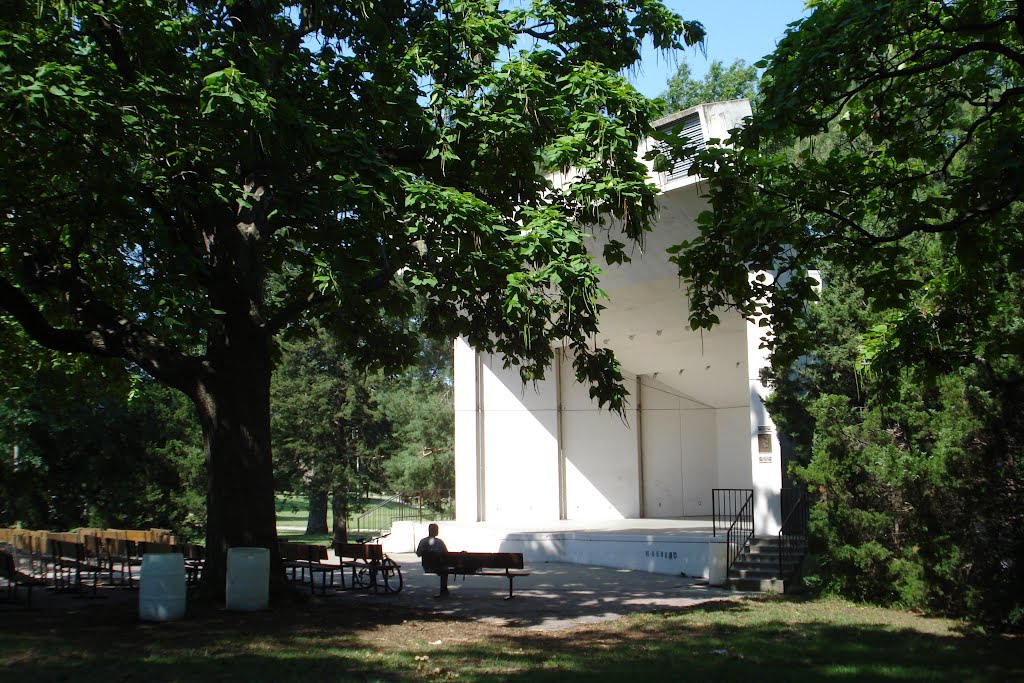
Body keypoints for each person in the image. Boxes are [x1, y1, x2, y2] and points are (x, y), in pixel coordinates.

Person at [416, 523, 449, 597]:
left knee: (444, 569)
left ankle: (444, 591)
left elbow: (418, 554)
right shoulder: (440, 542)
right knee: (445, 570)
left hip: (427, 565)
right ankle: (444, 590)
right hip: (437, 565)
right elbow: (446, 553)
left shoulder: (423, 541)